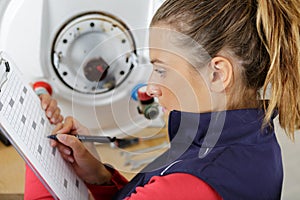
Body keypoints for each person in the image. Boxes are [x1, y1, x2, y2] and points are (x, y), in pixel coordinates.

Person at [25, 0, 300, 199]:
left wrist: (35, 149)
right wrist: (101, 178)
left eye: (162, 69)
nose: (152, 86)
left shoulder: (192, 180)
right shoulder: (249, 139)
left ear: (217, 74)